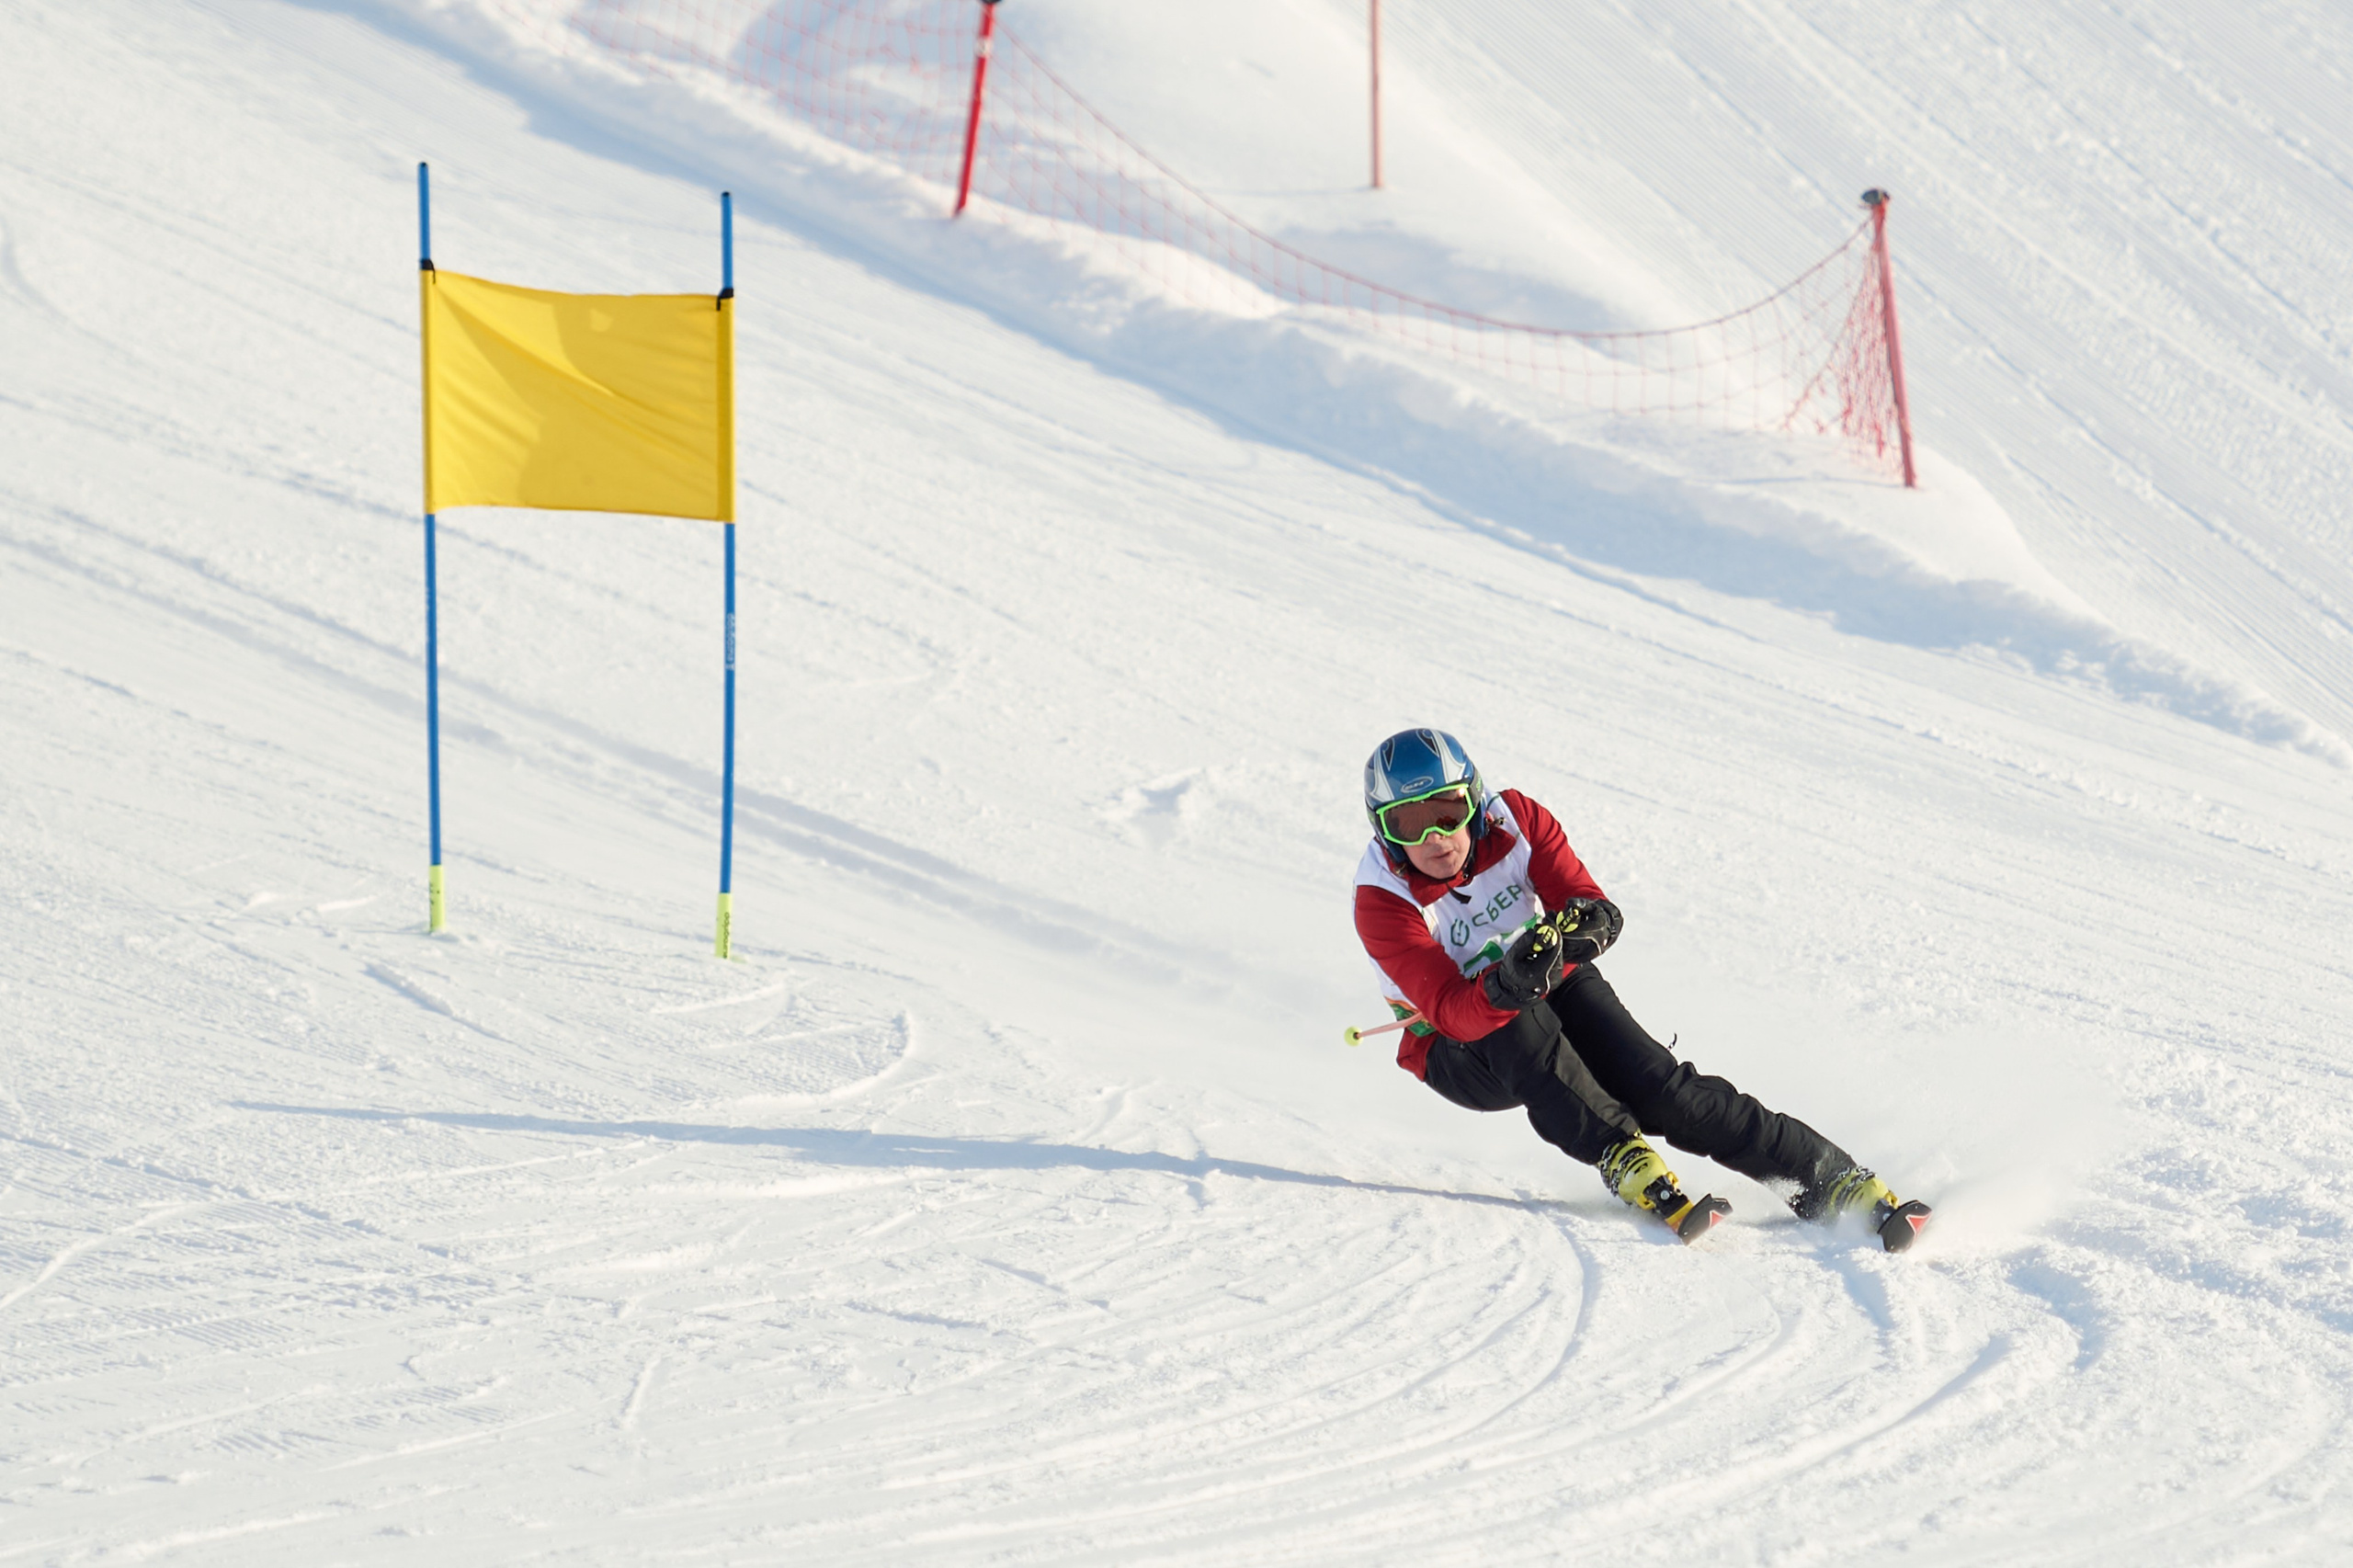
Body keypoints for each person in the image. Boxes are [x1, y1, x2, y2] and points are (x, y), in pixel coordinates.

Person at [1351, 727, 1930, 1250]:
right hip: (1457, 1049)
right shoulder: (1382, 898)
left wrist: (1590, 926)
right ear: (1383, 829)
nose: (1434, 837)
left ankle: (1829, 1182)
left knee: (1665, 1092)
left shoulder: (1517, 820)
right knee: (1515, 1019)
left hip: (1549, 980)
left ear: (1473, 801)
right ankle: (1621, 1155)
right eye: (1407, 822)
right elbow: (1455, 1013)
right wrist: (1507, 983)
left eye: (1448, 811)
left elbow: (1583, 897)